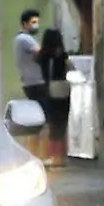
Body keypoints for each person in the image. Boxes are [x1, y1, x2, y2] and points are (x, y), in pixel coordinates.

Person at [14, 10, 46, 158]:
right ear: (24, 24)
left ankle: (33, 153)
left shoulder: (21, 39)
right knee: (38, 121)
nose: (36, 25)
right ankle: (34, 154)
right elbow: (41, 53)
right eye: (33, 22)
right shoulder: (25, 39)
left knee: (36, 121)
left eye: (37, 22)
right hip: (35, 83)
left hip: (30, 82)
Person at [37, 29, 71, 167]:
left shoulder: (42, 56)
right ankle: (59, 157)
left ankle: (50, 155)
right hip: (62, 90)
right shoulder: (62, 55)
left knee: (51, 123)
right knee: (61, 123)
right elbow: (70, 68)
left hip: (48, 90)